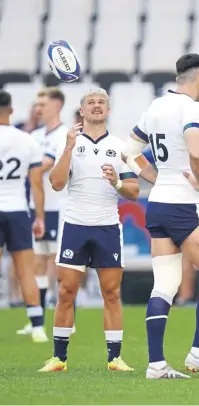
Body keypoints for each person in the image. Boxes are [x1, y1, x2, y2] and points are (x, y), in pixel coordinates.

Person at [122, 53, 199, 379]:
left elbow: (129, 153)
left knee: (165, 284)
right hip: (184, 204)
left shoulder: (155, 107)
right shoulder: (191, 108)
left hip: (157, 204)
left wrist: (156, 178)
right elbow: (196, 151)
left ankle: (156, 364)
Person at [38, 88, 148, 372]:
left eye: (102, 102)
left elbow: (134, 191)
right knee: (66, 291)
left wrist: (117, 184)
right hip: (75, 224)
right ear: (82, 111)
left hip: (107, 226)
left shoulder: (121, 147)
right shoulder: (72, 143)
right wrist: (67, 148)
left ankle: (115, 358)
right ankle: (58, 358)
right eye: (91, 103)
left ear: (109, 111)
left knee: (111, 292)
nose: (97, 106)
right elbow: (57, 183)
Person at [17, 87, 69, 336]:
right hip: (35, 207)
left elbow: (43, 167)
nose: (38, 109)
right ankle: (37, 320)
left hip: (59, 206)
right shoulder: (34, 135)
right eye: (36, 105)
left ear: (57, 105)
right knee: (37, 263)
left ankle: (68, 318)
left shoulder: (64, 135)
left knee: (61, 265)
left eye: (43, 104)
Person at [0, 90, 48, 343]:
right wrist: (39, 216)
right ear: (11, 110)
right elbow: (37, 183)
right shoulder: (27, 140)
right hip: (18, 209)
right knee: (26, 270)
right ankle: (37, 326)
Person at [176, 166, 199, 306]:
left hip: (184, 223)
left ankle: (186, 296)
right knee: (187, 261)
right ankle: (185, 297)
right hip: (190, 226)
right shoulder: (195, 189)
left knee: (187, 261)